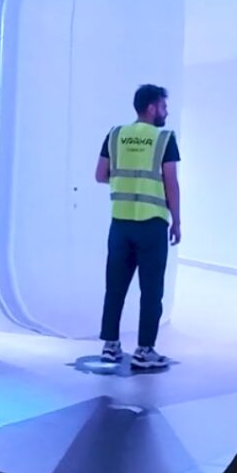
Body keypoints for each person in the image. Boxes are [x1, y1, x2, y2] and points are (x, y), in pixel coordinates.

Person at [95, 84, 181, 370]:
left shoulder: (116, 134)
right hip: (152, 223)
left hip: (120, 224)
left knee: (115, 287)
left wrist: (125, 183)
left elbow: (100, 175)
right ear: (152, 108)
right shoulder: (164, 138)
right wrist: (177, 221)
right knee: (151, 290)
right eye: (164, 107)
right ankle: (145, 351)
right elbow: (171, 182)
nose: (166, 112)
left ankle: (110, 346)